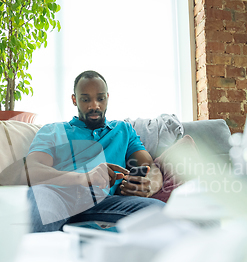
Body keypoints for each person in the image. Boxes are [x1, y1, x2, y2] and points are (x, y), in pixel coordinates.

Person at [25, 70, 165, 232]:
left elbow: (150, 166)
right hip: (57, 196)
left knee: (161, 212)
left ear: (107, 97)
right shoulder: (53, 130)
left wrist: (148, 187)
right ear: (74, 99)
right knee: (42, 205)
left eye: (100, 98)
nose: (94, 106)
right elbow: (32, 171)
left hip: (105, 202)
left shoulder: (123, 130)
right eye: (85, 99)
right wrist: (84, 177)